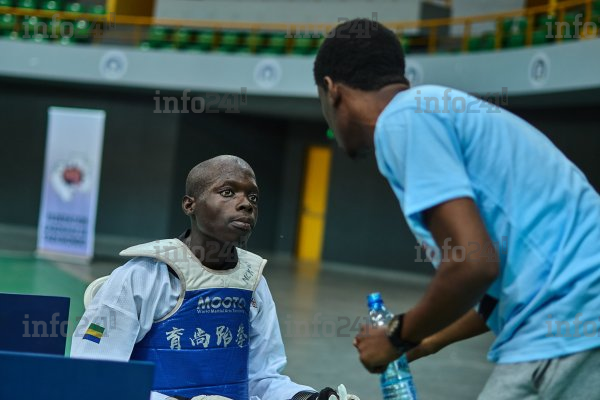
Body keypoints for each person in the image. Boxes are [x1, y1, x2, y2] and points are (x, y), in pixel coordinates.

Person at [313, 18, 600, 400]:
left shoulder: (402, 121)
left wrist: (397, 335)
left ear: (332, 90)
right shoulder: (430, 111)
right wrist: (427, 338)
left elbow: (473, 265)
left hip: (571, 316)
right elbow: (495, 291)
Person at [71, 155, 355, 400]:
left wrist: (309, 397)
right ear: (189, 205)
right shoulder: (143, 276)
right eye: (228, 192)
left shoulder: (253, 282)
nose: (246, 204)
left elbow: (263, 378)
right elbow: (95, 375)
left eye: (253, 197)